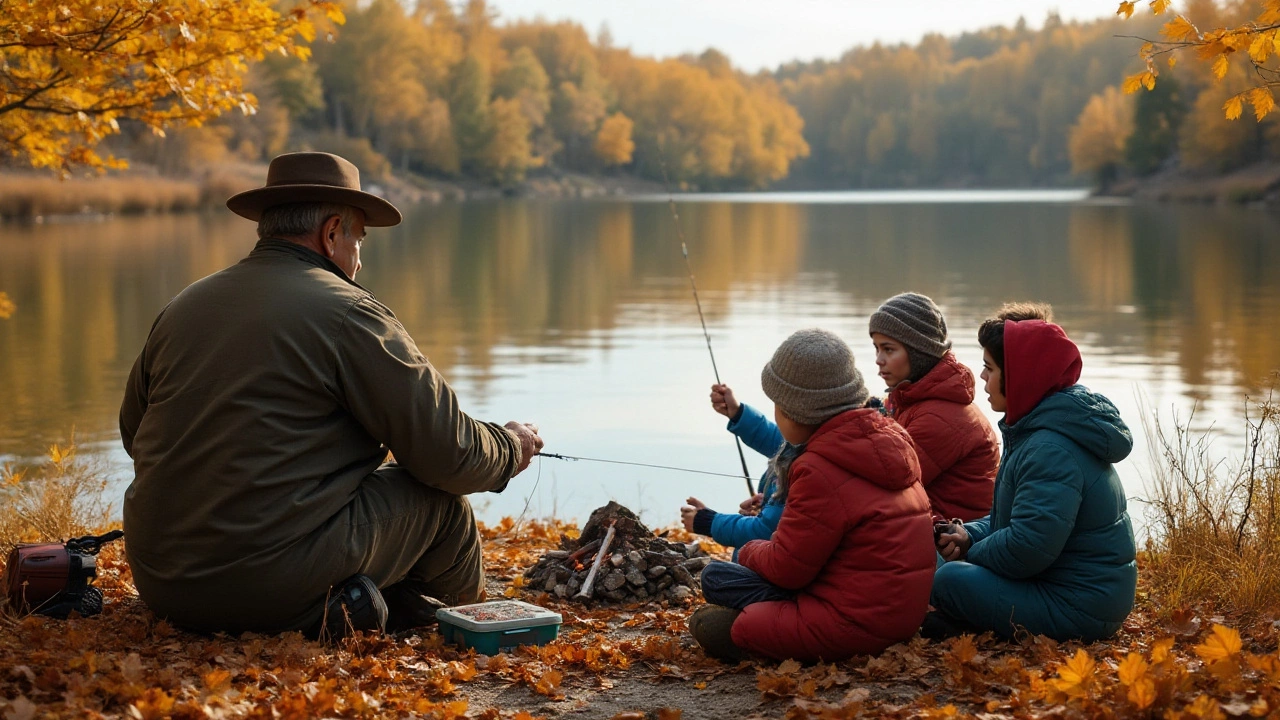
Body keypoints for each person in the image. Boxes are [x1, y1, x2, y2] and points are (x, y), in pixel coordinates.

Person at [119, 152, 544, 638]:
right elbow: (449, 455)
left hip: (165, 584)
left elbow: (135, 435)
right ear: (332, 232)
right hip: (266, 589)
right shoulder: (349, 313)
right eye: (359, 240)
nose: (359, 258)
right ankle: (463, 631)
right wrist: (511, 445)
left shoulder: (183, 306)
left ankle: (375, 601)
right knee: (441, 505)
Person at [688, 329, 935, 662]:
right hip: (899, 616)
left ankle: (750, 635)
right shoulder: (885, 442)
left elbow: (787, 569)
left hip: (854, 624)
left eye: (777, 405)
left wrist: (747, 550)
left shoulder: (819, 469)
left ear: (795, 413)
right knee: (724, 580)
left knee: (716, 593)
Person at [928, 303, 1137, 642]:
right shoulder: (1039, 426)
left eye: (989, 368)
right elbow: (1012, 521)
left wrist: (969, 550)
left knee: (949, 579)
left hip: (1080, 607)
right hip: (1060, 587)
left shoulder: (1050, 449)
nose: (982, 376)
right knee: (937, 558)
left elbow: (1027, 548)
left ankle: (955, 622)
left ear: (1019, 377)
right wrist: (967, 535)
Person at [869, 292, 998, 522]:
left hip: (949, 541)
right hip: (923, 526)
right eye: (877, 348)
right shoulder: (910, 399)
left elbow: (883, 485)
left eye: (888, 349)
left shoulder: (940, 418)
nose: (879, 359)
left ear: (918, 354)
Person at [678, 384, 786, 554]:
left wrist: (709, 522)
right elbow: (780, 442)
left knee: (713, 574)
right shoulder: (810, 441)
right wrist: (738, 413)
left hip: (778, 571)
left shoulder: (809, 465)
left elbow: (767, 530)